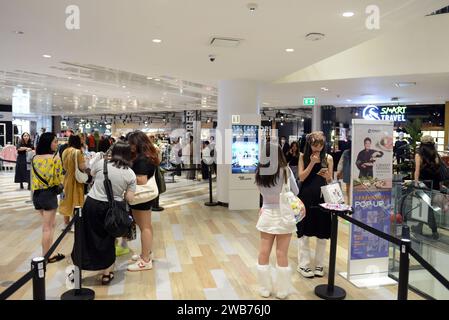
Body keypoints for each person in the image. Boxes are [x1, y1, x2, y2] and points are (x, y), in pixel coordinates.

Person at [74, 141, 136, 284]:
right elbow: (129, 198)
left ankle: (84, 267)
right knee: (109, 239)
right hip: (113, 208)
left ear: (113, 152)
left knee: (89, 236)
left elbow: (92, 175)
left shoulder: (102, 164)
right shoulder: (130, 174)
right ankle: (107, 274)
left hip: (92, 204)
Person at [255, 144, 299, 299]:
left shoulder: (259, 172)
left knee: (263, 252)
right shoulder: (286, 171)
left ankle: (264, 289)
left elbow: (261, 192)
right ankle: (282, 290)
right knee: (282, 254)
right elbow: (296, 191)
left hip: (266, 212)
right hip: (284, 215)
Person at [296, 132, 333, 278]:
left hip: (322, 197)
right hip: (306, 197)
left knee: (322, 233)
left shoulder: (328, 158)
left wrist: (328, 176)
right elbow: (301, 177)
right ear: (309, 145)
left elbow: (330, 180)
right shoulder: (302, 157)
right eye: (314, 145)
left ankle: (319, 265)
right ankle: (303, 265)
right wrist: (311, 163)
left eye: (320, 145)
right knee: (304, 232)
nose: (317, 148)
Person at [126, 131, 160, 271]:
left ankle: (145, 260)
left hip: (141, 197)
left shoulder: (142, 159)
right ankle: (146, 253)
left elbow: (141, 180)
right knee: (146, 226)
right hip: (145, 197)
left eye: (131, 143)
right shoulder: (148, 156)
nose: (129, 146)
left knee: (144, 227)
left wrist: (126, 176)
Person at [31, 132, 65, 263]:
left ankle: (50, 251)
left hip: (37, 195)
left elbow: (33, 178)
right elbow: (58, 179)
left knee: (50, 225)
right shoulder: (55, 158)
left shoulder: (35, 158)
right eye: (55, 141)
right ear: (48, 143)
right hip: (49, 195)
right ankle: (47, 255)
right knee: (47, 228)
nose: (57, 144)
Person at [411, 135, 442, 240]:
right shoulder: (435, 154)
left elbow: (417, 170)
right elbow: (438, 170)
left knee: (426, 207)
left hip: (424, 184)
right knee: (426, 206)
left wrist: (416, 184)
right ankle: (419, 226)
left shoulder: (419, 154)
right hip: (435, 184)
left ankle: (434, 230)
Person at [59, 135, 87, 230]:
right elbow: (82, 167)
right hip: (76, 180)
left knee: (66, 201)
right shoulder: (78, 152)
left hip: (66, 179)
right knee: (77, 201)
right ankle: (76, 224)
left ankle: (66, 224)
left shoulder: (65, 151)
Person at [337, 139, 351, 204]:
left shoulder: (346, 152)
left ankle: (349, 202)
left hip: (348, 172)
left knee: (348, 188)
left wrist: (339, 172)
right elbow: (342, 162)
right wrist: (339, 172)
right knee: (349, 188)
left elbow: (341, 163)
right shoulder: (347, 152)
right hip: (349, 172)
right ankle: (349, 202)